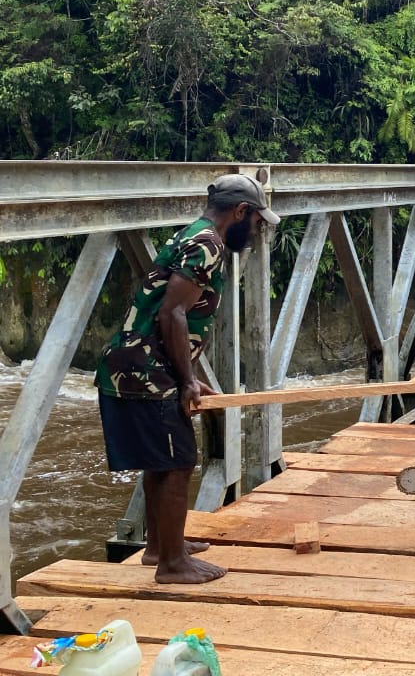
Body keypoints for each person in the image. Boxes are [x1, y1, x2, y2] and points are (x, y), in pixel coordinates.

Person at [95, 173, 279, 583]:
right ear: (241, 212)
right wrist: (186, 380)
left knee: (161, 459)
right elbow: (172, 313)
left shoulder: (193, 233)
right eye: (255, 221)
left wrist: (190, 374)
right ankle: (172, 564)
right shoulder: (209, 242)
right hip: (146, 371)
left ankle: (161, 546)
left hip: (134, 365)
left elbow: (171, 311)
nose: (254, 230)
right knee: (178, 462)